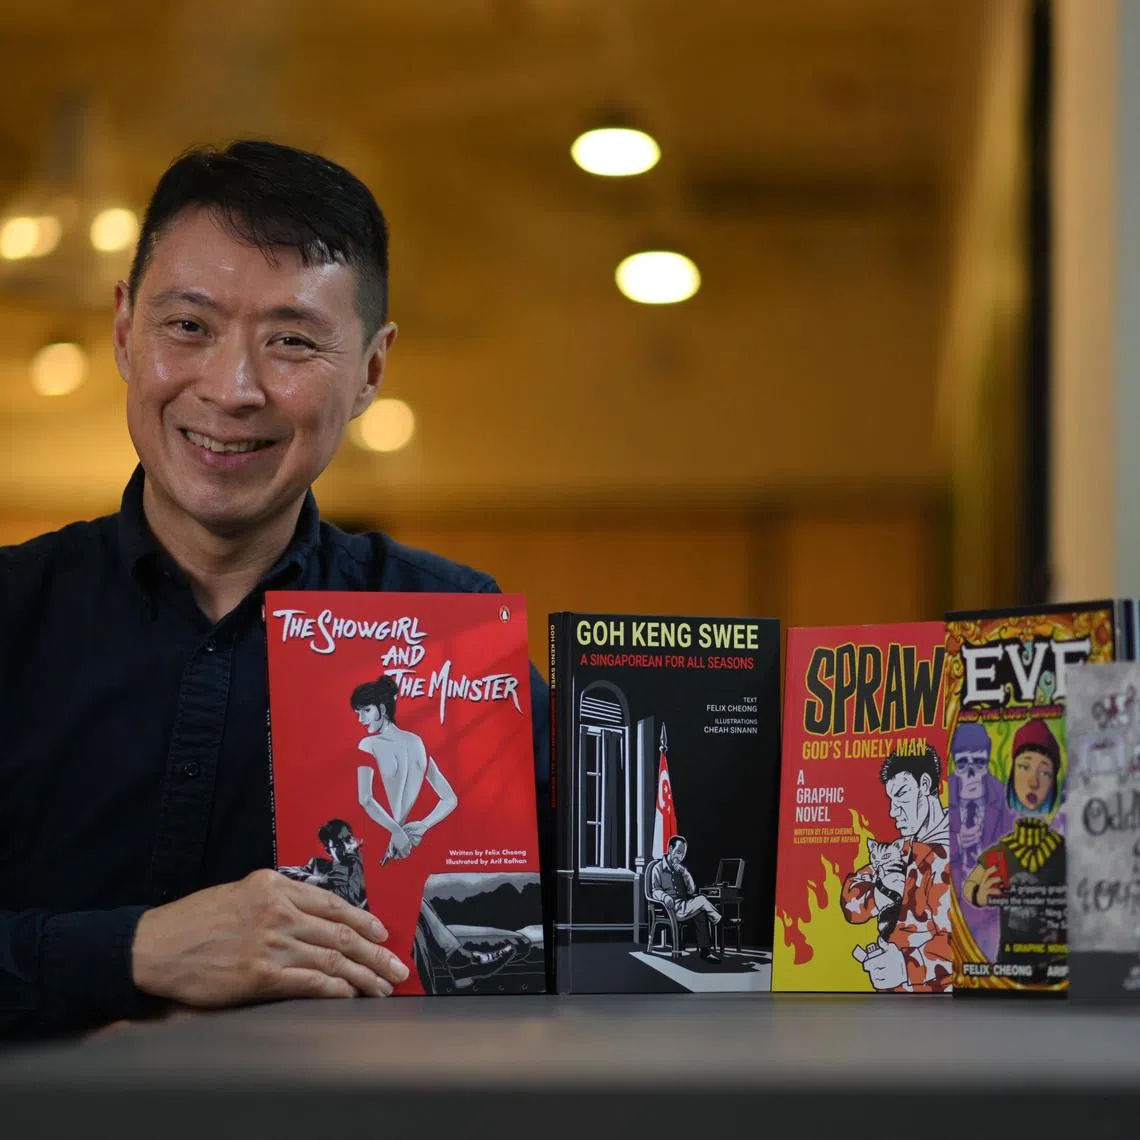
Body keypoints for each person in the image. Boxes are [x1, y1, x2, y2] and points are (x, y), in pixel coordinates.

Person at [0, 140, 551, 1038]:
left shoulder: (447, 634)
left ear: (371, 370)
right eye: (189, 326)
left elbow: (586, 923)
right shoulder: (11, 617)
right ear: (122, 330)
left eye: (292, 341)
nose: (233, 388)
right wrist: (139, 950)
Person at [841, 746, 952, 993]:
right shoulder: (903, 848)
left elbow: (962, 947)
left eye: (901, 794)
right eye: (891, 799)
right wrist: (882, 895)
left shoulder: (957, 853)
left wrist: (905, 967)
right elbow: (851, 901)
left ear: (925, 784)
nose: (893, 811)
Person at [350, 675, 458, 863]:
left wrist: (396, 831)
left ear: (382, 709)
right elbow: (450, 799)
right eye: (357, 712)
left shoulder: (368, 744)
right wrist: (423, 825)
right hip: (414, 845)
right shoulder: (418, 742)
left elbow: (365, 799)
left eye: (366, 710)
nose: (360, 719)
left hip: (383, 845)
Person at [947, 722, 1013, 961]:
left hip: (988, 908)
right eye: (963, 764)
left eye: (979, 763)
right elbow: (927, 844)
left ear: (987, 762)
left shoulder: (1001, 796)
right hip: (950, 904)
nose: (972, 773)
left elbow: (1011, 845)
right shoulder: (942, 794)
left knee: (986, 964)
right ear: (955, 765)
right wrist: (956, 841)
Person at [648, 835, 723, 963]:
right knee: (702, 901)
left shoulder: (680, 870)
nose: (680, 856)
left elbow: (691, 890)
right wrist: (665, 897)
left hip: (683, 906)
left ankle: (705, 952)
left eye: (683, 854)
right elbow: (655, 890)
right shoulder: (658, 868)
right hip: (668, 908)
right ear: (670, 849)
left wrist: (685, 872)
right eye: (678, 852)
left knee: (701, 910)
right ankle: (720, 921)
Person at [278, 819, 369, 909]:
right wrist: (321, 881)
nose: (346, 847)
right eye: (337, 845)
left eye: (348, 839)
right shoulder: (318, 867)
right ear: (329, 851)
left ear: (353, 839)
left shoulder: (368, 866)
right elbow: (278, 872)